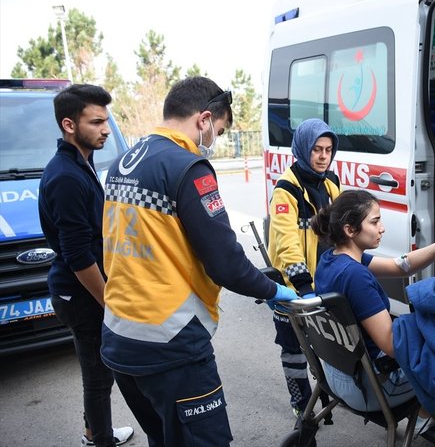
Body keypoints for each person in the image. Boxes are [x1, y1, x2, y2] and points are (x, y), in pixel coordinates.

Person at [100, 76, 297, 447]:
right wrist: (272, 290)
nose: (214, 141)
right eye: (218, 132)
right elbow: (224, 261)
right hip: (171, 343)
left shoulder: (122, 162)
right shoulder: (188, 168)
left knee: (162, 438)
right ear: (204, 120)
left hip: (119, 338)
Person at [310, 189, 435, 432]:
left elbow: (400, 266)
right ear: (350, 230)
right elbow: (391, 344)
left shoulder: (332, 259)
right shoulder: (356, 276)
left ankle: (426, 414)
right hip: (373, 387)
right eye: (375, 221)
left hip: (336, 376)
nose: (382, 227)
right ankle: (428, 415)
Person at [38, 84, 134, 447]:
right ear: (69, 124)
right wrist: (110, 303)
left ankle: (94, 432)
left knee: (99, 372)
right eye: (96, 122)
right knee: (97, 376)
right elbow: (78, 255)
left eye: (106, 121)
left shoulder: (81, 164)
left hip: (82, 290)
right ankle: (101, 441)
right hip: (79, 294)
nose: (106, 129)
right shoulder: (65, 176)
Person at [267, 118, 341, 418]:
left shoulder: (332, 182)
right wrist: (303, 287)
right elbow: (286, 243)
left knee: (329, 343)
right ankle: (301, 403)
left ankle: (332, 391)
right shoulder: (286, 189)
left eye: (328, 150)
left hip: (325, 280)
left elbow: (340, 227)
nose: (323, 156)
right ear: (302, 149)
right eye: (316, 150)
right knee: (294, 350)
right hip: (294, 287)